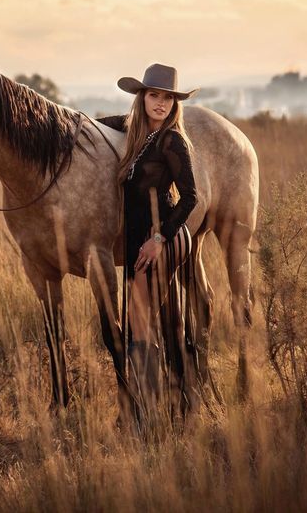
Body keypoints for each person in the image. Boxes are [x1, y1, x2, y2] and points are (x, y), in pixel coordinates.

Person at [96, 63, 199, 422]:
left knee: (139, 323)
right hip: (144, 239)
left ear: (174, 103)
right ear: (142, 98)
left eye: (168, 97)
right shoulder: (135, 131)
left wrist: (158, 239)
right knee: (141, 321)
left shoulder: (172, 140)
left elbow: (190, 199)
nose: (161, 103)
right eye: (154, 95)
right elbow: (95, 124)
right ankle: (158, 408)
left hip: (166, 236)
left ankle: (143, 418)